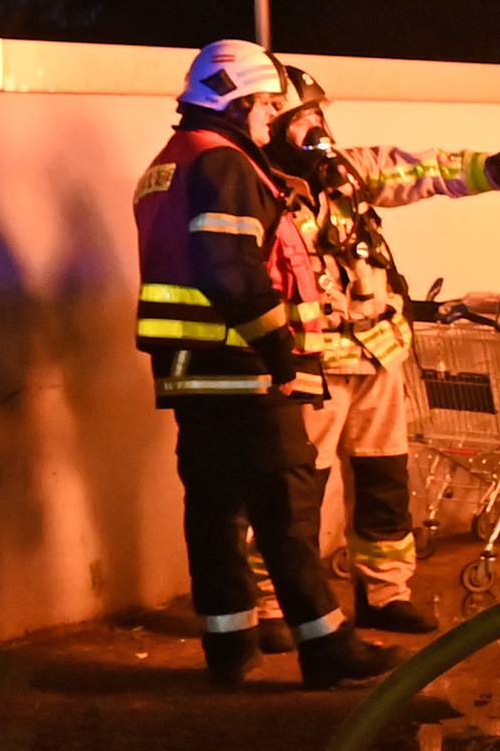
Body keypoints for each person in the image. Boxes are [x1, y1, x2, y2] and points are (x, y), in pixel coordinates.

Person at [242, 63, 500, 636]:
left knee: (385, 483)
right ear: (274, 123)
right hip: (309, 363)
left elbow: (429, 169)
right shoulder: (256, 190)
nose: (317, 128)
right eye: (303, 119)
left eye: (320, 115)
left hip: (378, 353)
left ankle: (384, 595)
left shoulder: (348, 172)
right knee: (295, 490)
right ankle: (272, 604)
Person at [132, 41, 400, 688]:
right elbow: (230, 269)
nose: (274, 116)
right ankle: (327, 649)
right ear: (238, 99)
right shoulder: (224, 163)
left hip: (193, 372)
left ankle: (230, 648)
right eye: (270, 103)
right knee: (287, 516)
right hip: (247, 372)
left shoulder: (167, 164)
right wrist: (281, 351)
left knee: (216, 512)